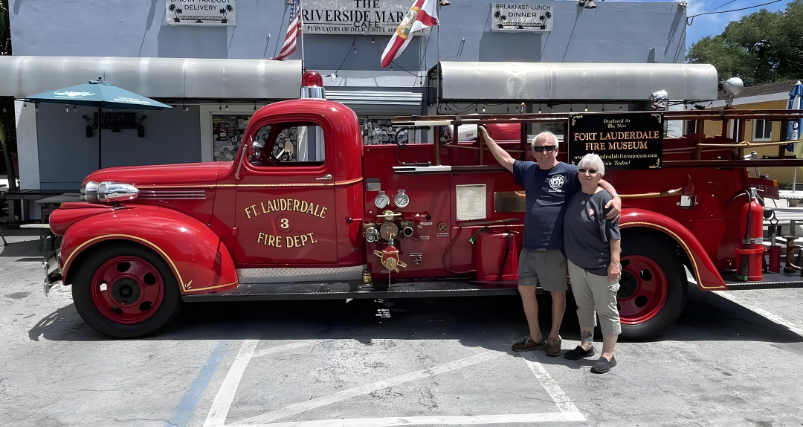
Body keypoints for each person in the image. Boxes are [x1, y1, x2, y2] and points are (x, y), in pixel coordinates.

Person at [478, 126, 621, 357]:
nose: (544, 152)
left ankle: (554, 337)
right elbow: (505, 158)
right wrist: (487, 138)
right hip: (529, 246)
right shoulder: (527, 169)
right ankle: (535, 337)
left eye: (549, 148)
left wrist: (616, 197)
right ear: (533, 152)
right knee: (525, 290)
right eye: (539, 148)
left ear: (557, 150)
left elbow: (596, 178)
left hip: (554, 247)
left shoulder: (569, 171)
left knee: (557, 294)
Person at [562, 153, 621, 374]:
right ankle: (586, 345)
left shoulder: (605, 200)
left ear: (600, 175)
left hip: (600, 266)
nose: (586, 174)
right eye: (583, 170)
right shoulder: (575, 195)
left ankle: (608, 355)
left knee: (607, 310)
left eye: (592, 171)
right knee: (584, 307)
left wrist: (614, 264)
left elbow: (615, 236)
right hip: (577, 264)